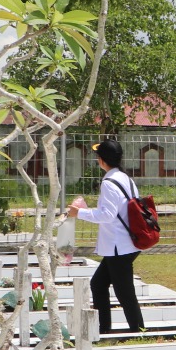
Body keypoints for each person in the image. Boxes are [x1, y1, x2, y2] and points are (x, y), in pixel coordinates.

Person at [67, 139, 146, 335]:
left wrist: (80, 213)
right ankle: (105, 329)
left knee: (124, 292)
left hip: (119, 246)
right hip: (126, 244)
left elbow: (107, 215)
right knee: (99, 284)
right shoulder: (126, 179)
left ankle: (139, 331)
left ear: (101, 160)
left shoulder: (109, 183)